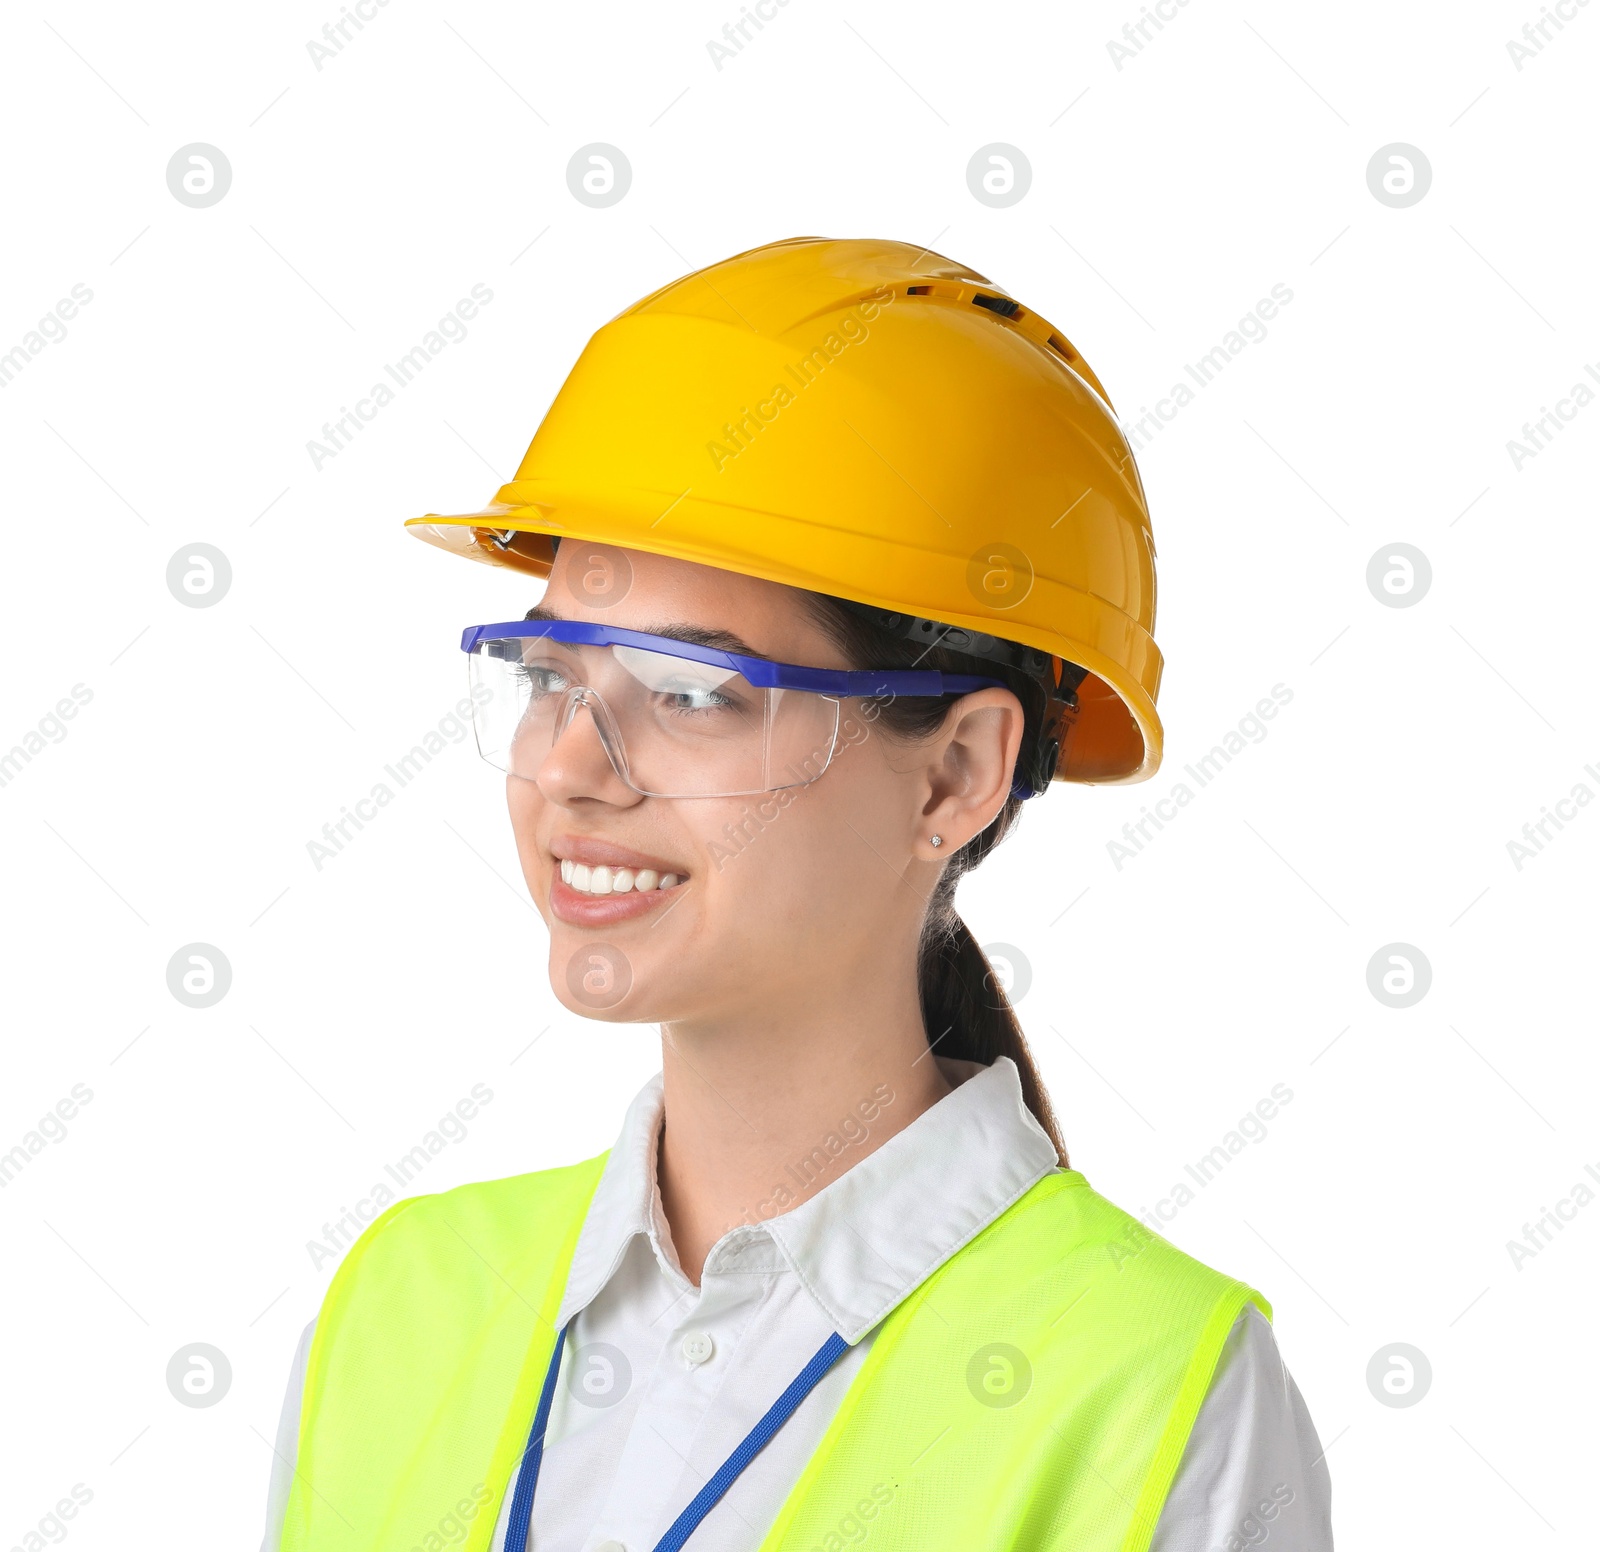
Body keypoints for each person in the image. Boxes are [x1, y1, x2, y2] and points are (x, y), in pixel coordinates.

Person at [262, 237, 1334, 1551]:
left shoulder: (1158, 1389)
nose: (571, 770)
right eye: (551, 675)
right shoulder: (402, 1307)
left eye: (691, 694)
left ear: (952, 776)